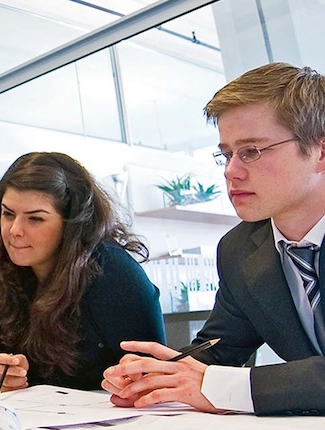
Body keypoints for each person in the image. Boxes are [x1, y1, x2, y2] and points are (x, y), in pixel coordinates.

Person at [103, 62, 325, 416]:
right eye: (226, 154)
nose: (231, 171)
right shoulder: (240, 248)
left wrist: (222, 387)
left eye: (251, 151)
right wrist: (162, 373)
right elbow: (220, 348)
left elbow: (219, 380)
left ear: (320, 152)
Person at [0, 152, 165, 392]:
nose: (14, 230)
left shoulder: (113, 270)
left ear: (72, 224)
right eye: (7, 214)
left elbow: (155, 369)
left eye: (35, 219)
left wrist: (131, 375)